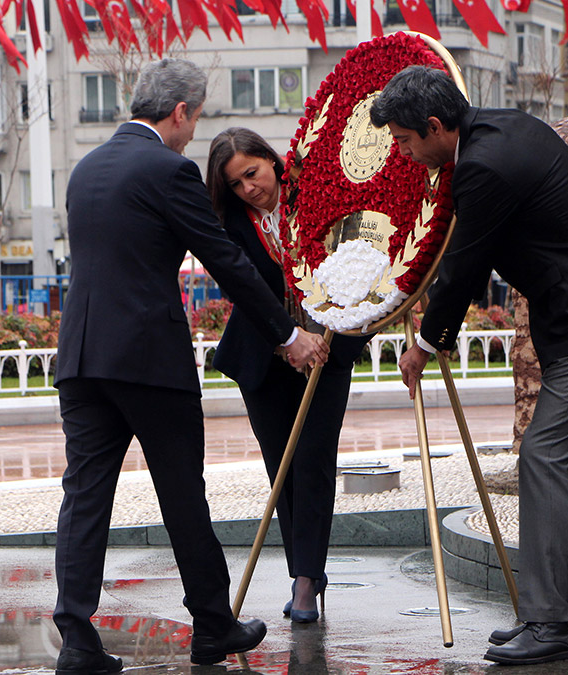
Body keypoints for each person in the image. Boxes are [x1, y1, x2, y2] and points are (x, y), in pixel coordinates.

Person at [371, 66, 568, 666]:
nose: (404, 155)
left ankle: (550, 622)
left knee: (546, 457)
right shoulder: (501, 129)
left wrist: (426, 345)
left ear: (434, 126)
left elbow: (464, 265)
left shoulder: (483, 166)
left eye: (405, 141)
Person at [52, 59, 329, 675]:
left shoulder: (86, 168)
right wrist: (288, 335)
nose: (191, 133)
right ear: (180, 112)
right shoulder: (168, 170)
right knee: (182, 494)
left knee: (84, 498)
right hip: (149, 360)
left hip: (80, 358)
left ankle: (76, 638)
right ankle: (211, 625)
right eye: (195, 119)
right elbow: (227, 260)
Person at [206, 127, 370, 623]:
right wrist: (286, 340)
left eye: (252, 174)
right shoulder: (230, 224)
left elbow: (360, 256)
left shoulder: (317, 191)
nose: (248, 189)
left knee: (314, 461)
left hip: (328, 350)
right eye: (235, 184)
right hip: (263, 359)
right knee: (283, 470)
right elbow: (244, 287)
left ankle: (305, 582)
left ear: (273, 161)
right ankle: (305, 571)